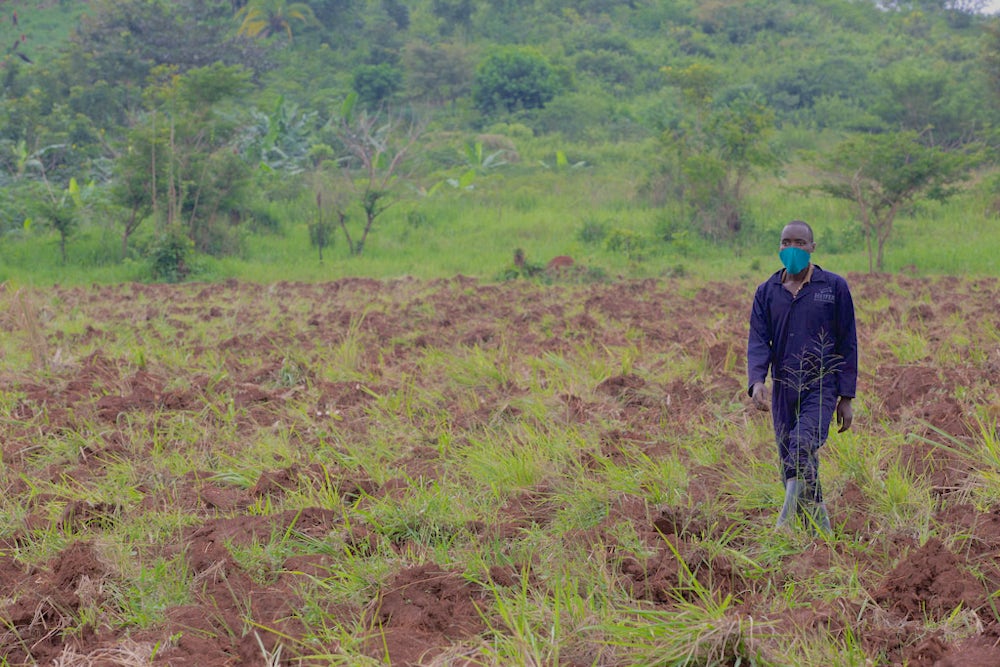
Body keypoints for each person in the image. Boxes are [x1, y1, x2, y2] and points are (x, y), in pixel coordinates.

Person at [747, 220, 857, 534]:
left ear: (812, 247)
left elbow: (848, 341)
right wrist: (757, 381)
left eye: (799, 243)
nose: (792, 249)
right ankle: (821, 529)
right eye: (786, 243)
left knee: (801, 446)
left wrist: (846, 397)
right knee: (790, 462)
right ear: (779, 246)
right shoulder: (766, 292)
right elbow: (758, 340)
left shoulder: (833, 288)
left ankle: (783, 525)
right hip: (784, 387)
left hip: (821, 385)